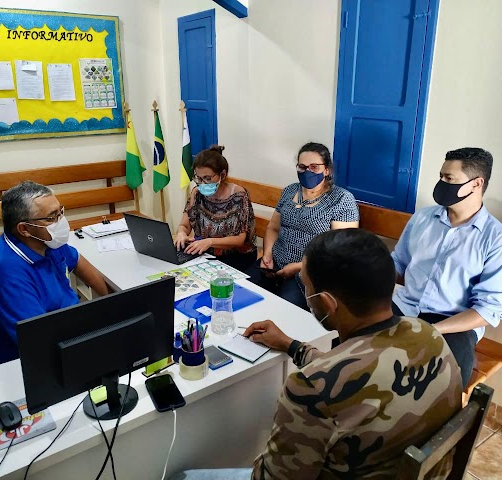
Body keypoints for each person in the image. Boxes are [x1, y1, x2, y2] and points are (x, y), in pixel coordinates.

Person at [170, 229, 462, 480]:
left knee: (183, 476)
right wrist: (291, 345)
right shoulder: (427, 333)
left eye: (306, 287)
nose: (306, 295)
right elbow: (359, 371)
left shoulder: (311, 386)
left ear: (325, 302)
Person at [392, 147, 502, 387]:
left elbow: (486, 310)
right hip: (405, 306)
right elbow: (398, 260)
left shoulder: (498, 241)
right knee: (353, 345)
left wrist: (433, 330)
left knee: (440, 386)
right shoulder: (422, 218)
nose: (441, 183)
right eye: (441, 176)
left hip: (452, 322)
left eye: (449, 179)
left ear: (476, 184)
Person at [0, 181, 109, 369]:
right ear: (24, 229)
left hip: (65, 328)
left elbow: (77, 261)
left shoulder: (47, 242)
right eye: (52, 217)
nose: (61, 222)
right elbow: (39, 343)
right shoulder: (8, 273)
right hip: (25, 365)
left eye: (60, 212)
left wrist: (112, 302)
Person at [246, 142, 359, 310]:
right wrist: (267, 254)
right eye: (302, 167)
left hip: (311, 272)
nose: (307, 172)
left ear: (326, 169)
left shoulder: (341, 199)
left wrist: (299, 267)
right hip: (274, 263)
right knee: (242, 291)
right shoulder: (290, 191)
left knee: (283, 311)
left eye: (314, 167)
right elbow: (273, 228)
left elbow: (341, 251)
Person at [174, 145, 257, 271]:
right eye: (198, 178)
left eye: (207, 178)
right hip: (205, 253)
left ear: (222, 175)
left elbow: (240, 240)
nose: (202, 183)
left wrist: (210, 241)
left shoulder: (239, 195)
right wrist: (180, 233)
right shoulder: (196, 193)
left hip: (237, 256)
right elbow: (184, 225)